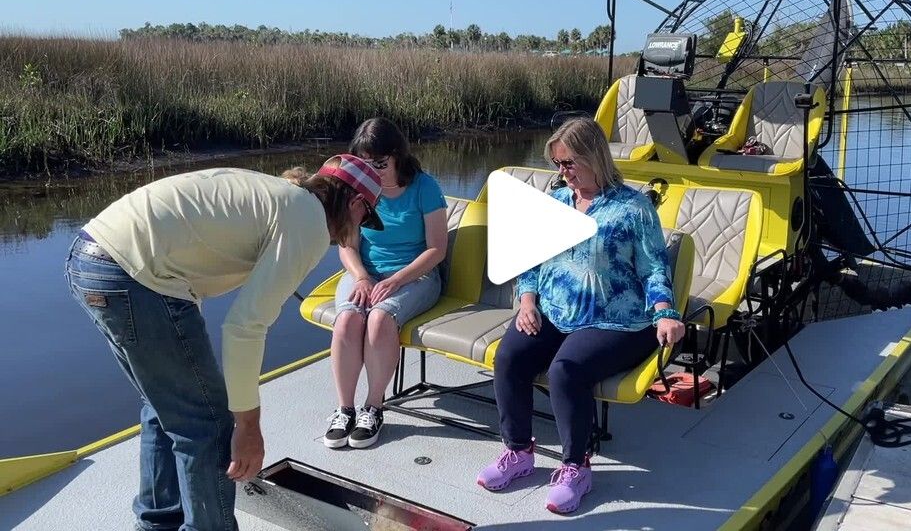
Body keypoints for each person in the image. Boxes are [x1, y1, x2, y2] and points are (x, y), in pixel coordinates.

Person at [65, 154, 383, 530]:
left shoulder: (282, 196)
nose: (361, 229)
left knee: (166, 405)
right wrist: (248, 427)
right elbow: (244, 327)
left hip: (91, 260)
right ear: (356, 204)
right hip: (135, 276)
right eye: (366, 218)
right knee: (209, 422)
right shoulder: (308, 221)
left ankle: (156, 524)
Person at [476, 117, 686, 514]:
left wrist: (665, 313)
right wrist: (526, 301)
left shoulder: (634, 208)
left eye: (568, 163)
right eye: (557, 164)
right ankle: (518, 452)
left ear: (594, 157)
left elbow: (654, 268)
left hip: (616, 319)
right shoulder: (555, 201)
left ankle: (576, 467)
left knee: (565, 370)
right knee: (509, 358)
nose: (562, 172)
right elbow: (533, 261)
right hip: (553, 309)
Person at [323, 117, 448, 449]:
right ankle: (344, 409)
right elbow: (346, 243)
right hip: (365, 273)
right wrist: (362, 277)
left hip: (414, 276)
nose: (372, 172)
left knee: (379, 319)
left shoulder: (425, 188)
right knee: (348, 319)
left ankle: (374, 407)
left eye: (380, 164)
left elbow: (437, 249)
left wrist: (394, 280)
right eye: (364, 164)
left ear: (398, 157)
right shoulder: (355, 190)